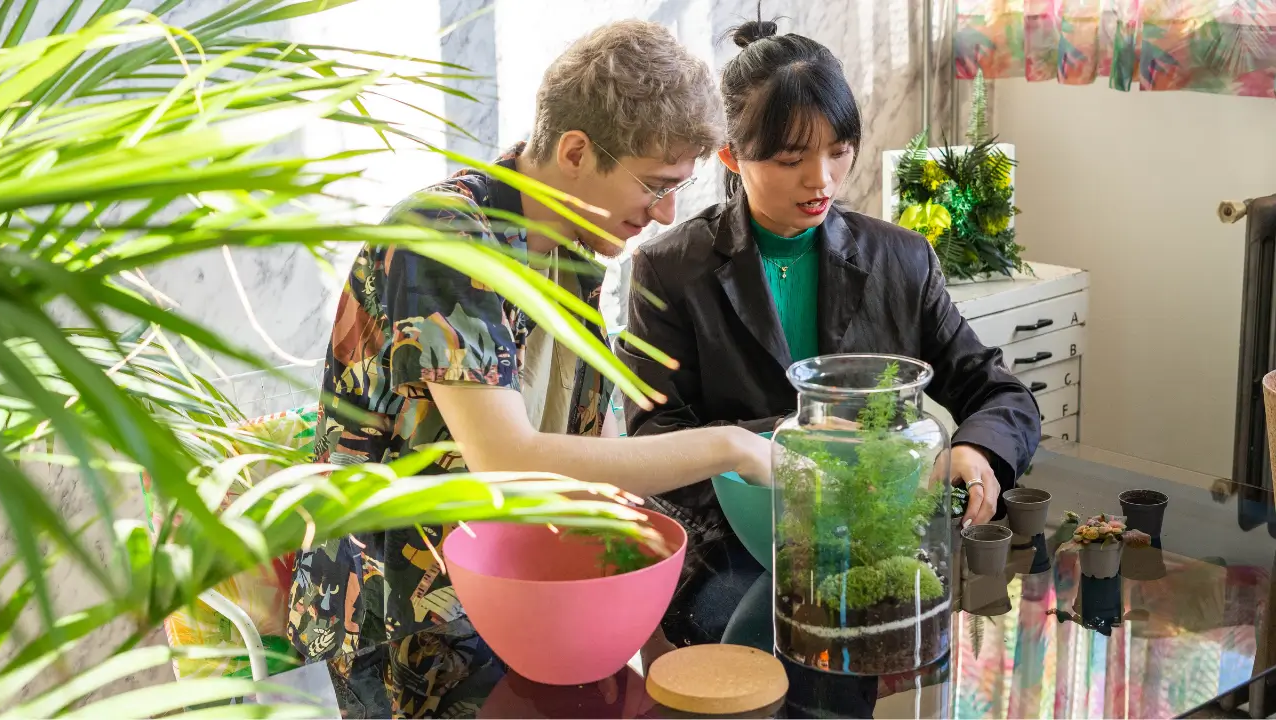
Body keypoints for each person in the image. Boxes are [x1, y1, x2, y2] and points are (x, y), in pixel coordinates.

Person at [286, 20, 771, 718]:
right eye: (656, 185)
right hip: (402, 619)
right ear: (576, 150)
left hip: (522, 597)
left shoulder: (571, 256)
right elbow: (505, 458)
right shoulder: (445, 238)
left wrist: (654, 636)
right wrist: (732, 446)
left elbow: (593, 460)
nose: (666, 214)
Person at [616, 18, 1042, 646]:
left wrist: (976, 452)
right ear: (733, 155)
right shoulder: (670, 269)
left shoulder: (901, 260)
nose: (822, 179)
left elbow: (1000, 394)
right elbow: (655, 438)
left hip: (878, 542)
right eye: (792, 159)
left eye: (839, 150)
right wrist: (794, 455)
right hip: (736, 547)